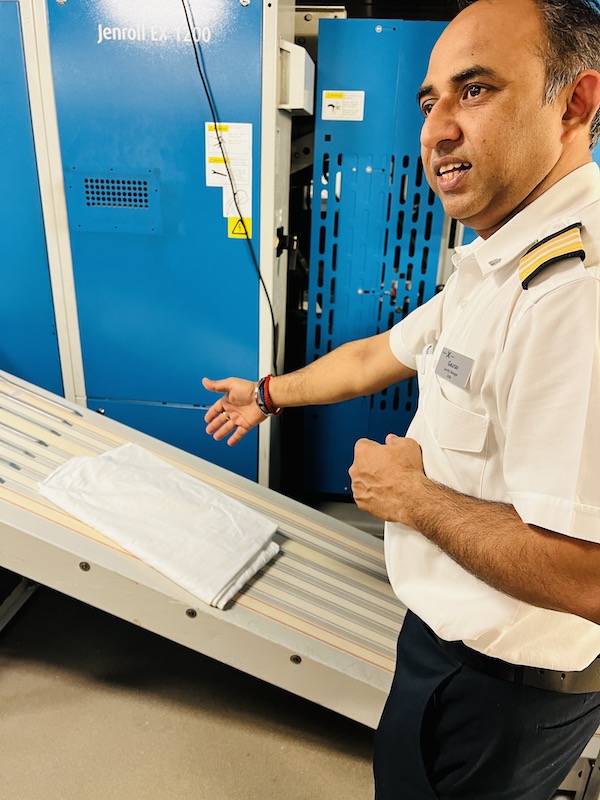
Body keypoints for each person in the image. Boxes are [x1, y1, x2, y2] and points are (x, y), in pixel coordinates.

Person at [202, 0, 600, 796]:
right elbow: (372, 358)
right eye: (430, 100)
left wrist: (413, 499)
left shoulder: (575, 295)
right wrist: (269, 394)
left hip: (501, 687)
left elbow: (587, 577)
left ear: (575, 103)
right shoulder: (500, 260)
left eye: (476, 90)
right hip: (452, 649)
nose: (438, 129)